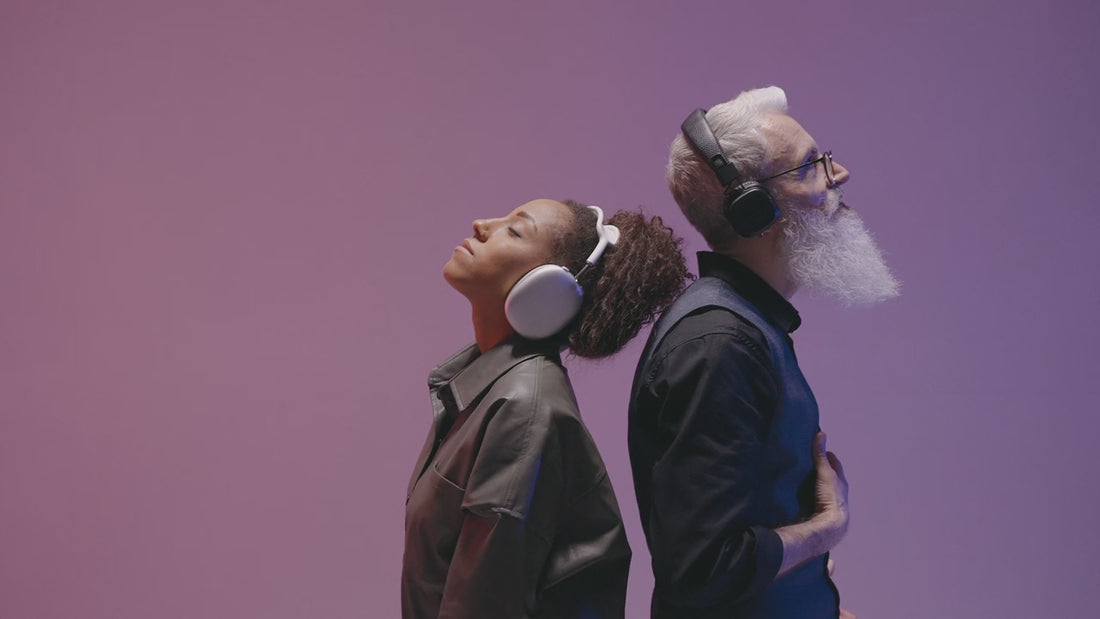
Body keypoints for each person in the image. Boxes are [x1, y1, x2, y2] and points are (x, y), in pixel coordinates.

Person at [628, 86, 900, 618]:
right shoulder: (719, 346)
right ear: (754, 208)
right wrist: (826, 530)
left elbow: (750, 536)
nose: (838, 173)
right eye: (810, 166)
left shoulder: (745, 328)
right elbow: (705, 570)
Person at [402, 198, 690, 618]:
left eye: (515, 230)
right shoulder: (489, 390)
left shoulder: (523, 410)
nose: (482, 224)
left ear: (548, 290)